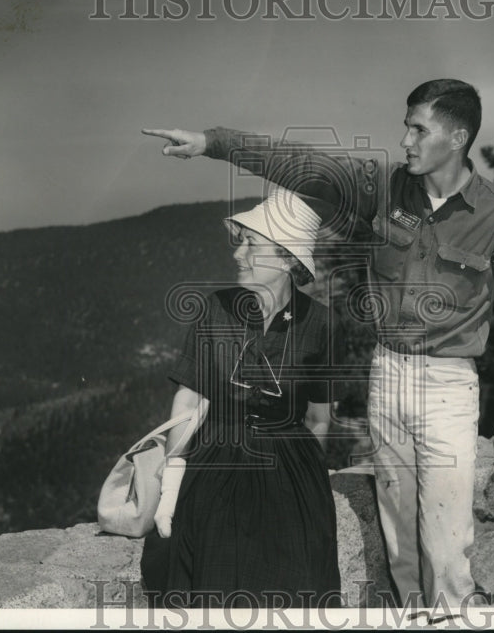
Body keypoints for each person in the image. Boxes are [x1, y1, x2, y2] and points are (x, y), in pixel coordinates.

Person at [142, 78, 494, 610]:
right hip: (388, 375)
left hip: (449, 384)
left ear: (457, 137)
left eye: (418, 129)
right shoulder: (382, 187)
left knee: (448, 543)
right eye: (405, 126)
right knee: (401, 540)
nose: (404, 139)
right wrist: (210, 143)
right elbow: (302, 163)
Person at [139, 188, 342, 609]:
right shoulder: (216, 310)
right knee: (214, 565)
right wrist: (172, 487)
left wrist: (306, 482)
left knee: (296, 577)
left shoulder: (321, 324)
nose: (239, 254)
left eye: (252, 243)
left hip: (290, 466)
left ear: (287, 259)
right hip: (219, 455)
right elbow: (190, 401)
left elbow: (320, 418)